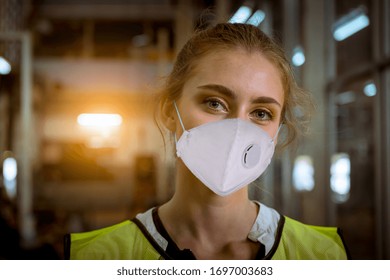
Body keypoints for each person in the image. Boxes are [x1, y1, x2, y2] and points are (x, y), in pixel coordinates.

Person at [65, 23, 349, 260]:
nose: (237, 128)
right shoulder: (95, 257)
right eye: (215, 103)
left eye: (261, 113)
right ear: (169, 112)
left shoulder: (323, 256)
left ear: (277, 130)